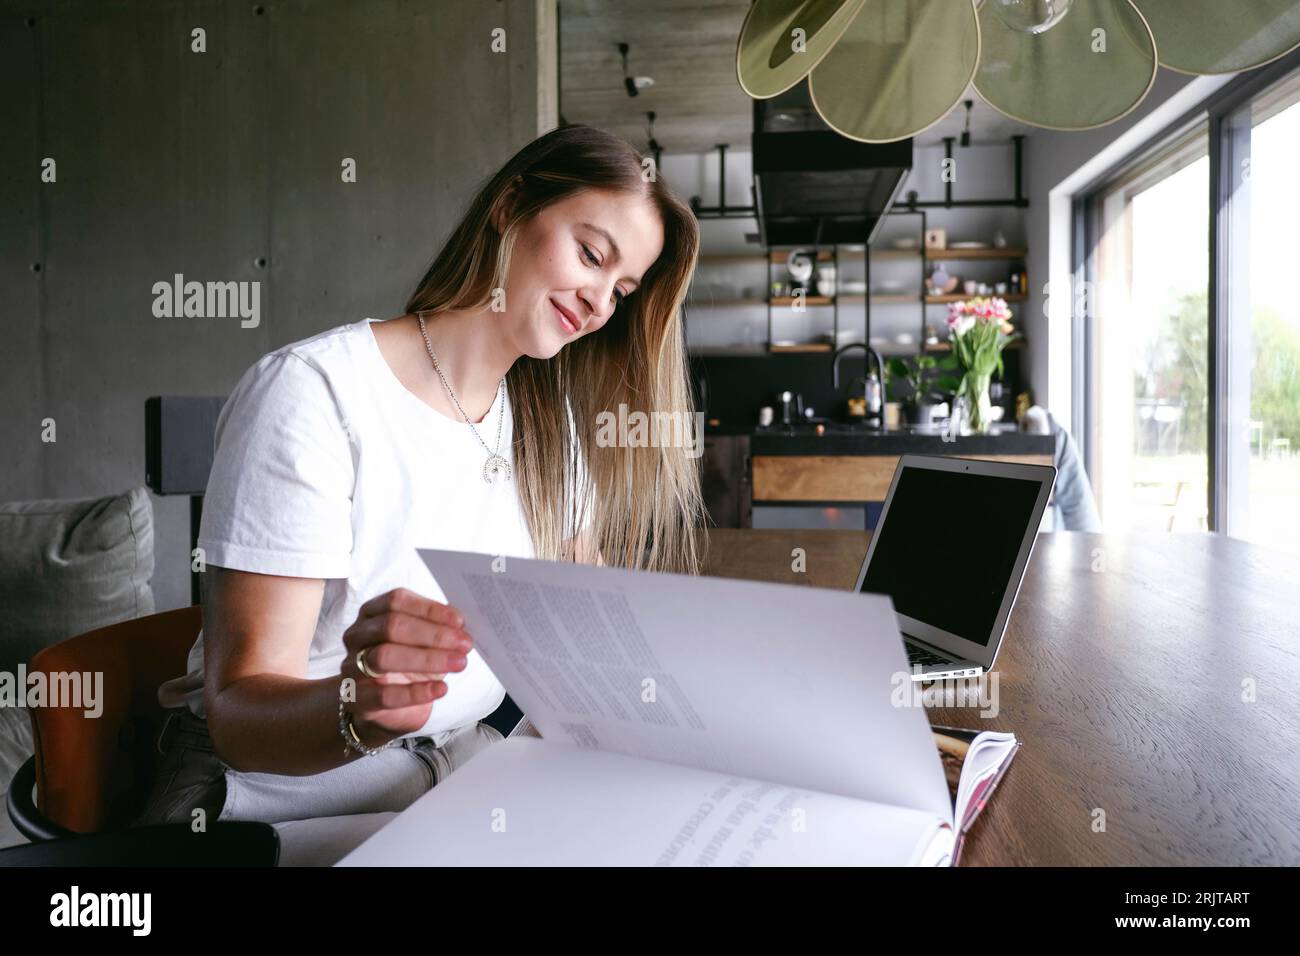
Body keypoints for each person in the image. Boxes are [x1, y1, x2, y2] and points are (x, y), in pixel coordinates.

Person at [134, 124, 708, 864]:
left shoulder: (548, 429)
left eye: (622, 291)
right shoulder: (315, 396)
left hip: (449, 782)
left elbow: (576, 645)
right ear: (509, 206)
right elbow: (237, 713)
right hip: (266, 802)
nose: (599, 303)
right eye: (592, 255)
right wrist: (358, 707)